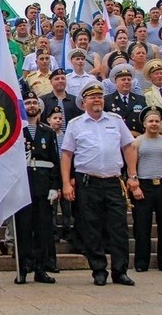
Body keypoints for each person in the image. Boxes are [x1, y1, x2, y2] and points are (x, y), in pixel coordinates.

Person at [61, 81, 138, 286]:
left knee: (119, 227)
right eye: (92, 97)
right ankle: (98, 270)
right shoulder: (75, 124)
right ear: (83, 101)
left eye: (99, 96)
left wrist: (132, 176)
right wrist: (66, 184)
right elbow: (67, 155)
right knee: (91, 227)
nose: (97, 100)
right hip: (87, 181)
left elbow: (129, 148)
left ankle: (120, 271)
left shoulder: (115, 120)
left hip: (113, 181)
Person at [13, 92, 61, 285]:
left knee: (43, 229)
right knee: (23, 228)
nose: (31, 105)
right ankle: (23, 267)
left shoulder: (47, 131)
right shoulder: (16, 130)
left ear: (40, 107)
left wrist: (54, 186)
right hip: (23, 185)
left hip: (42, 185)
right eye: (27, 102)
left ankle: (41, 268)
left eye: (34, 102)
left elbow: (54, 160)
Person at [131, 106, 162, 273]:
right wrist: (135, 186)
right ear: (144, 123)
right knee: (142, 226)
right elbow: (132, 167)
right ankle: (141, 262)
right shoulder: (137, 142)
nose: (154, 124)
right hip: (144, 186)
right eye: (150, 121)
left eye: (156, 121)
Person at [103, 64, 147, 137]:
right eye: (123, 79)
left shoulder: (140, 99)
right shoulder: (107, 100)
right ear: (116, 83)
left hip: (137, 138)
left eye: (129, 79)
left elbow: (145, 119)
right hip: (115, 138)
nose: (127, 82)